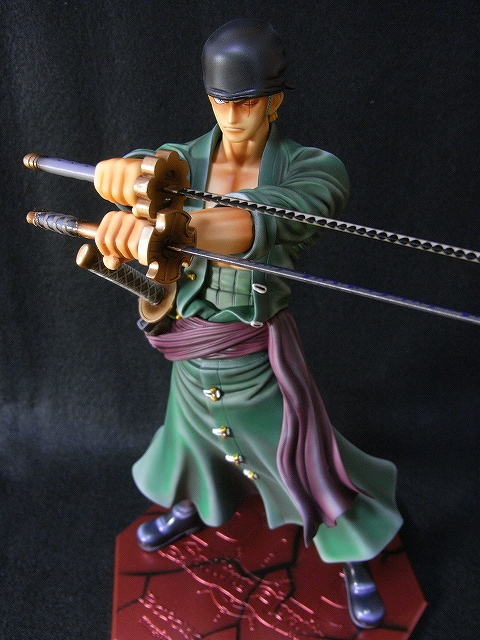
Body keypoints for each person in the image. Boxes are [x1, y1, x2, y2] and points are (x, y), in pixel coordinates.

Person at [94, 19, 403, 629]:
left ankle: (353, 553)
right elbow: (149, 167)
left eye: (247, 101)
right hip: (189, 350)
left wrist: (179, 225)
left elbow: (275, 215)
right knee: (191, 447)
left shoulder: (312, 168)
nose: (232, 115)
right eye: (220, 101)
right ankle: (198, 505)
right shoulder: (182, 161)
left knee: (309, 466)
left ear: (275, 100)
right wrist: (124, 178)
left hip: (254, 356)